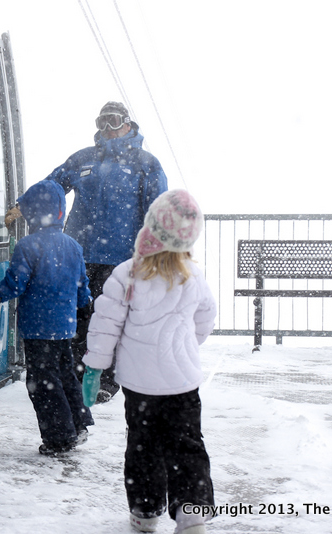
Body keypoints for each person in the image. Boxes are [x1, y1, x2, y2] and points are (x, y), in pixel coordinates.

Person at [5, 101, 167, 404]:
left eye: (113, 120)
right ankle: (79, 375)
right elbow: (52, 184)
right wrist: (23, 203)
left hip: (122, 257)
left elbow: (157, 209)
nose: (107, 128)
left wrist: (156, 250)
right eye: (101, 121)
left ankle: (107, 380)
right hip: (79, 252)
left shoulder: (146, 162)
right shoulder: (83, 159)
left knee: (114, 319)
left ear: (128, 123)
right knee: (79, 315)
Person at [81, 189, 217, 533]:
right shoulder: (192, 275)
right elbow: (205, 319)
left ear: (151, 227)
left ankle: (144, 512)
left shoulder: (128, 273)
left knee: (144, 447)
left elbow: (106, 323)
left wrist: (96, 366)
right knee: (187, 444)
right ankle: (192, 512)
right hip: (183, 382)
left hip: (140, 385)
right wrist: (184, 346)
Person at [0, 180, 94, 455]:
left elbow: (15, 285)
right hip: (64, 327)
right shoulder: (73, 246)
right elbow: (81, 285)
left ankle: (60, 438)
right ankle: (79, 423)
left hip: (39, 327)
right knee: (64, 375)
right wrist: (85, 307)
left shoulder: (28, 246)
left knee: (42, 383)